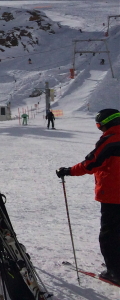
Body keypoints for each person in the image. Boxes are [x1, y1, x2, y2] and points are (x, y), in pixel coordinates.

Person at [56, 109, 120, 286]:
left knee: (110, 234)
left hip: (114, 195)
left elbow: (91, 163)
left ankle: (115, 272)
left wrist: (68, 171)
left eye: (99, 126)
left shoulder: (111, 140)